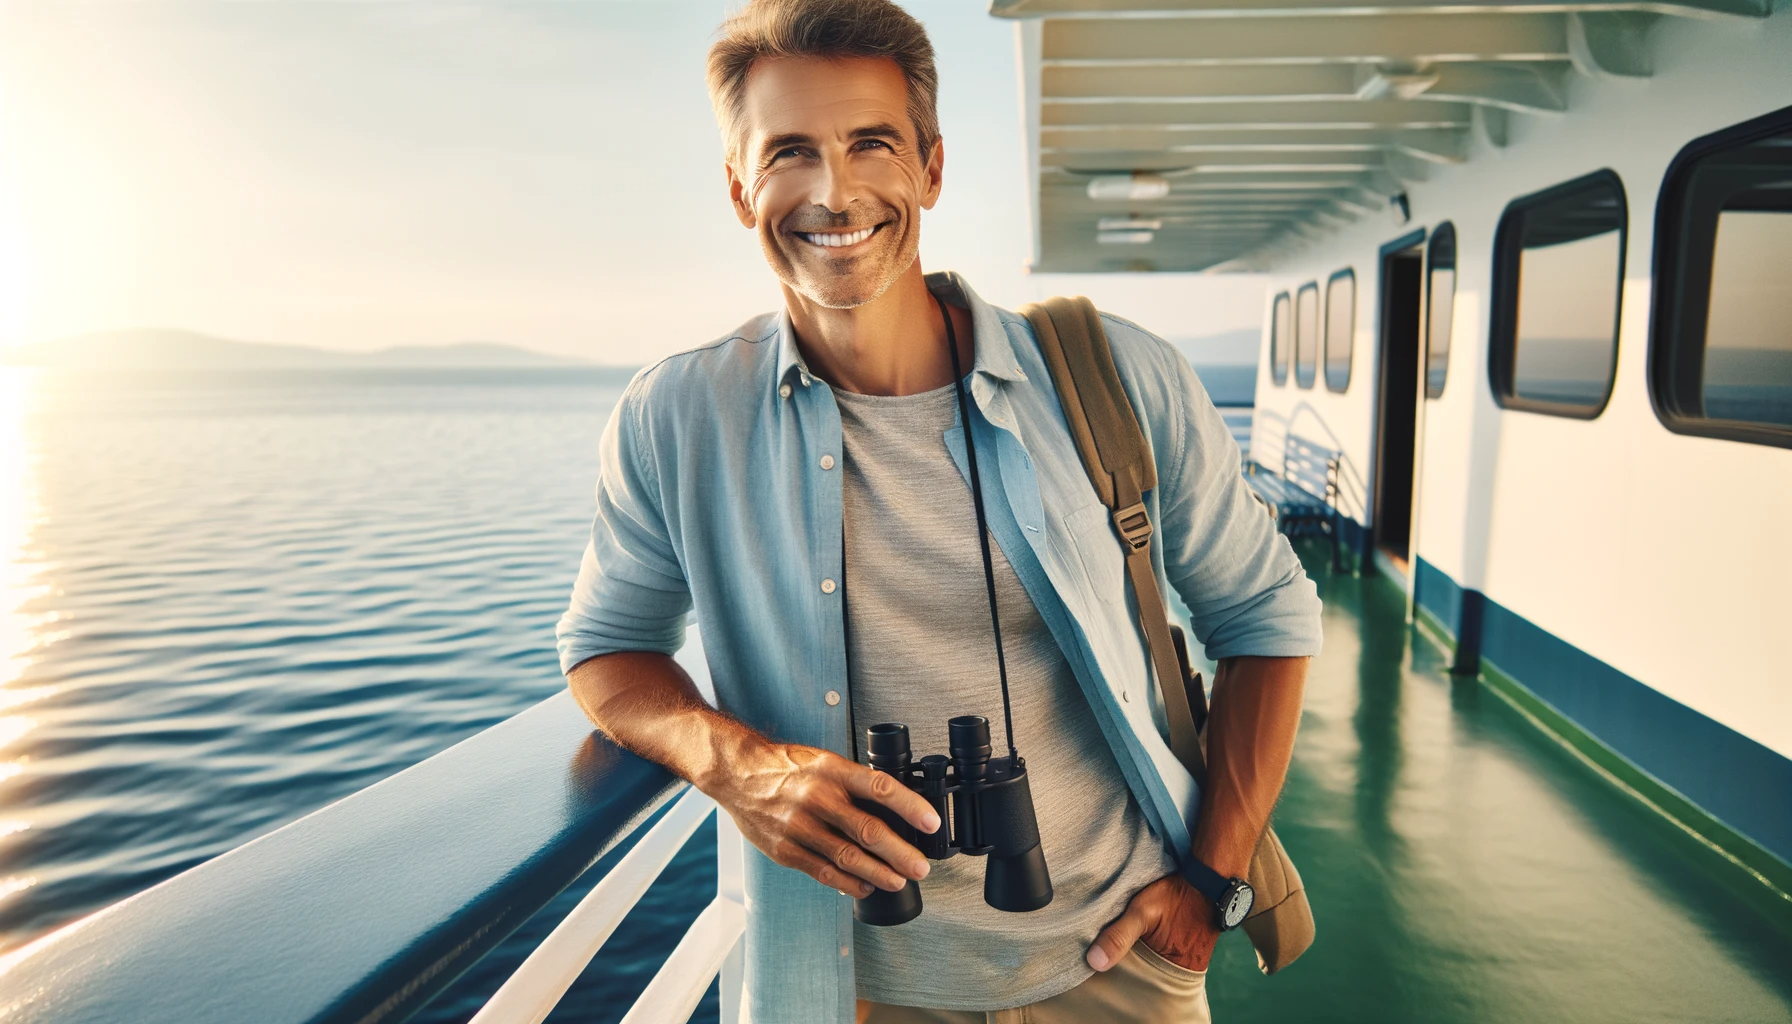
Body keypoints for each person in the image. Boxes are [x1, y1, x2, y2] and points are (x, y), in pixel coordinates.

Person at [556, 1, 1322, 1020]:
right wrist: (738, 765)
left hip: (1116, 958)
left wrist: (1208, 887)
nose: (835, 191)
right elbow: (607, 647)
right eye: (790, 152)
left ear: (931, 169)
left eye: (870, 142)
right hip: (846, 984)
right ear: (741, 189)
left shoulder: (1118, 377)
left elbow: (1264, 616)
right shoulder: (677, 416)